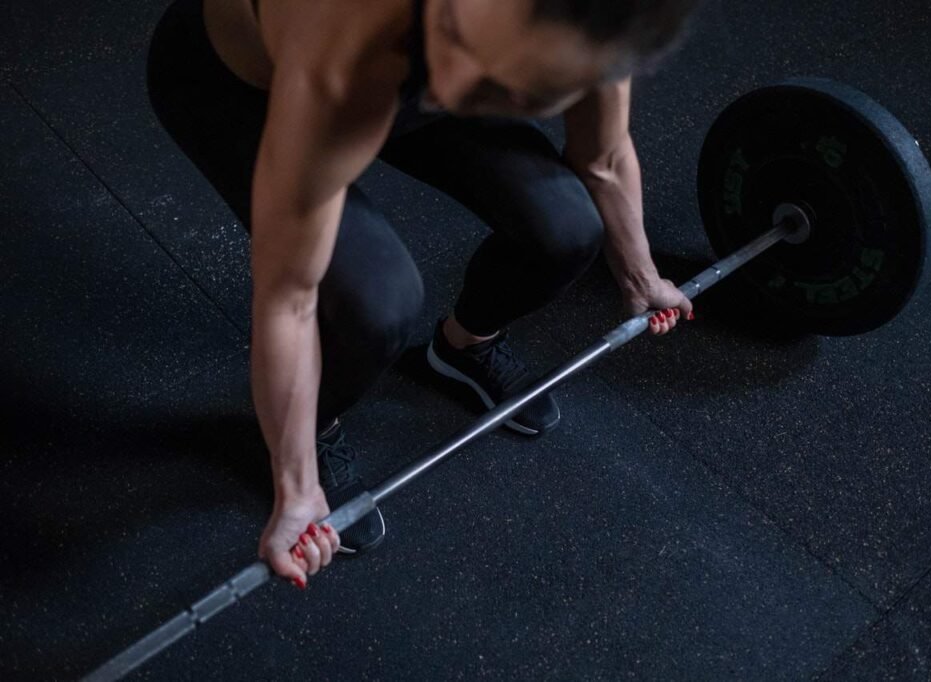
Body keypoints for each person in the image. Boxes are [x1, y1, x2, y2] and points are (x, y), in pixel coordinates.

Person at [147, 0, 698, 590]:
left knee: (569, 228)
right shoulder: (343, 53)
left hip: (418, 57)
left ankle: (462, 347)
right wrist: (296, 486)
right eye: (460, 40)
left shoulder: (598, 25)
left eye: (515, 89)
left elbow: (604, 158)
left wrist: (641, 277)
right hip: (241, 88)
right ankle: (311, 426)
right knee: (378, 301)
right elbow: (290, 297)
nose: (458, 85)